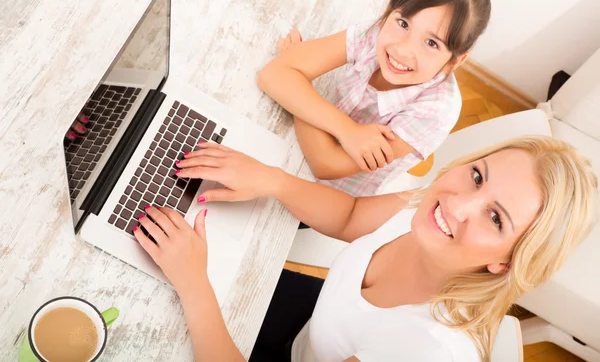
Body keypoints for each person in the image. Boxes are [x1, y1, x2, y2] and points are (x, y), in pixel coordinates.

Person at [134, 135, 598, 361]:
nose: (458, 204)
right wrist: (271, 179)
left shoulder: (423, 348)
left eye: (495, 218)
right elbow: (352, 216)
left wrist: (193, 282)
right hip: (311, 333)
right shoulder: (426, 210)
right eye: (477, 175)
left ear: (506, 262)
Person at [257, 0, 491, 196]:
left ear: (454, 61)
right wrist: (347, 130)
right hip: (293, 144)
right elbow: (271, 76)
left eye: (431, 43)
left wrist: (298, 88)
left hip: (330, 195)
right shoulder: (377, 30)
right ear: (389, 10)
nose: (403, 50)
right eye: (403, 23)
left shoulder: (436, 110)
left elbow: (324, 164)